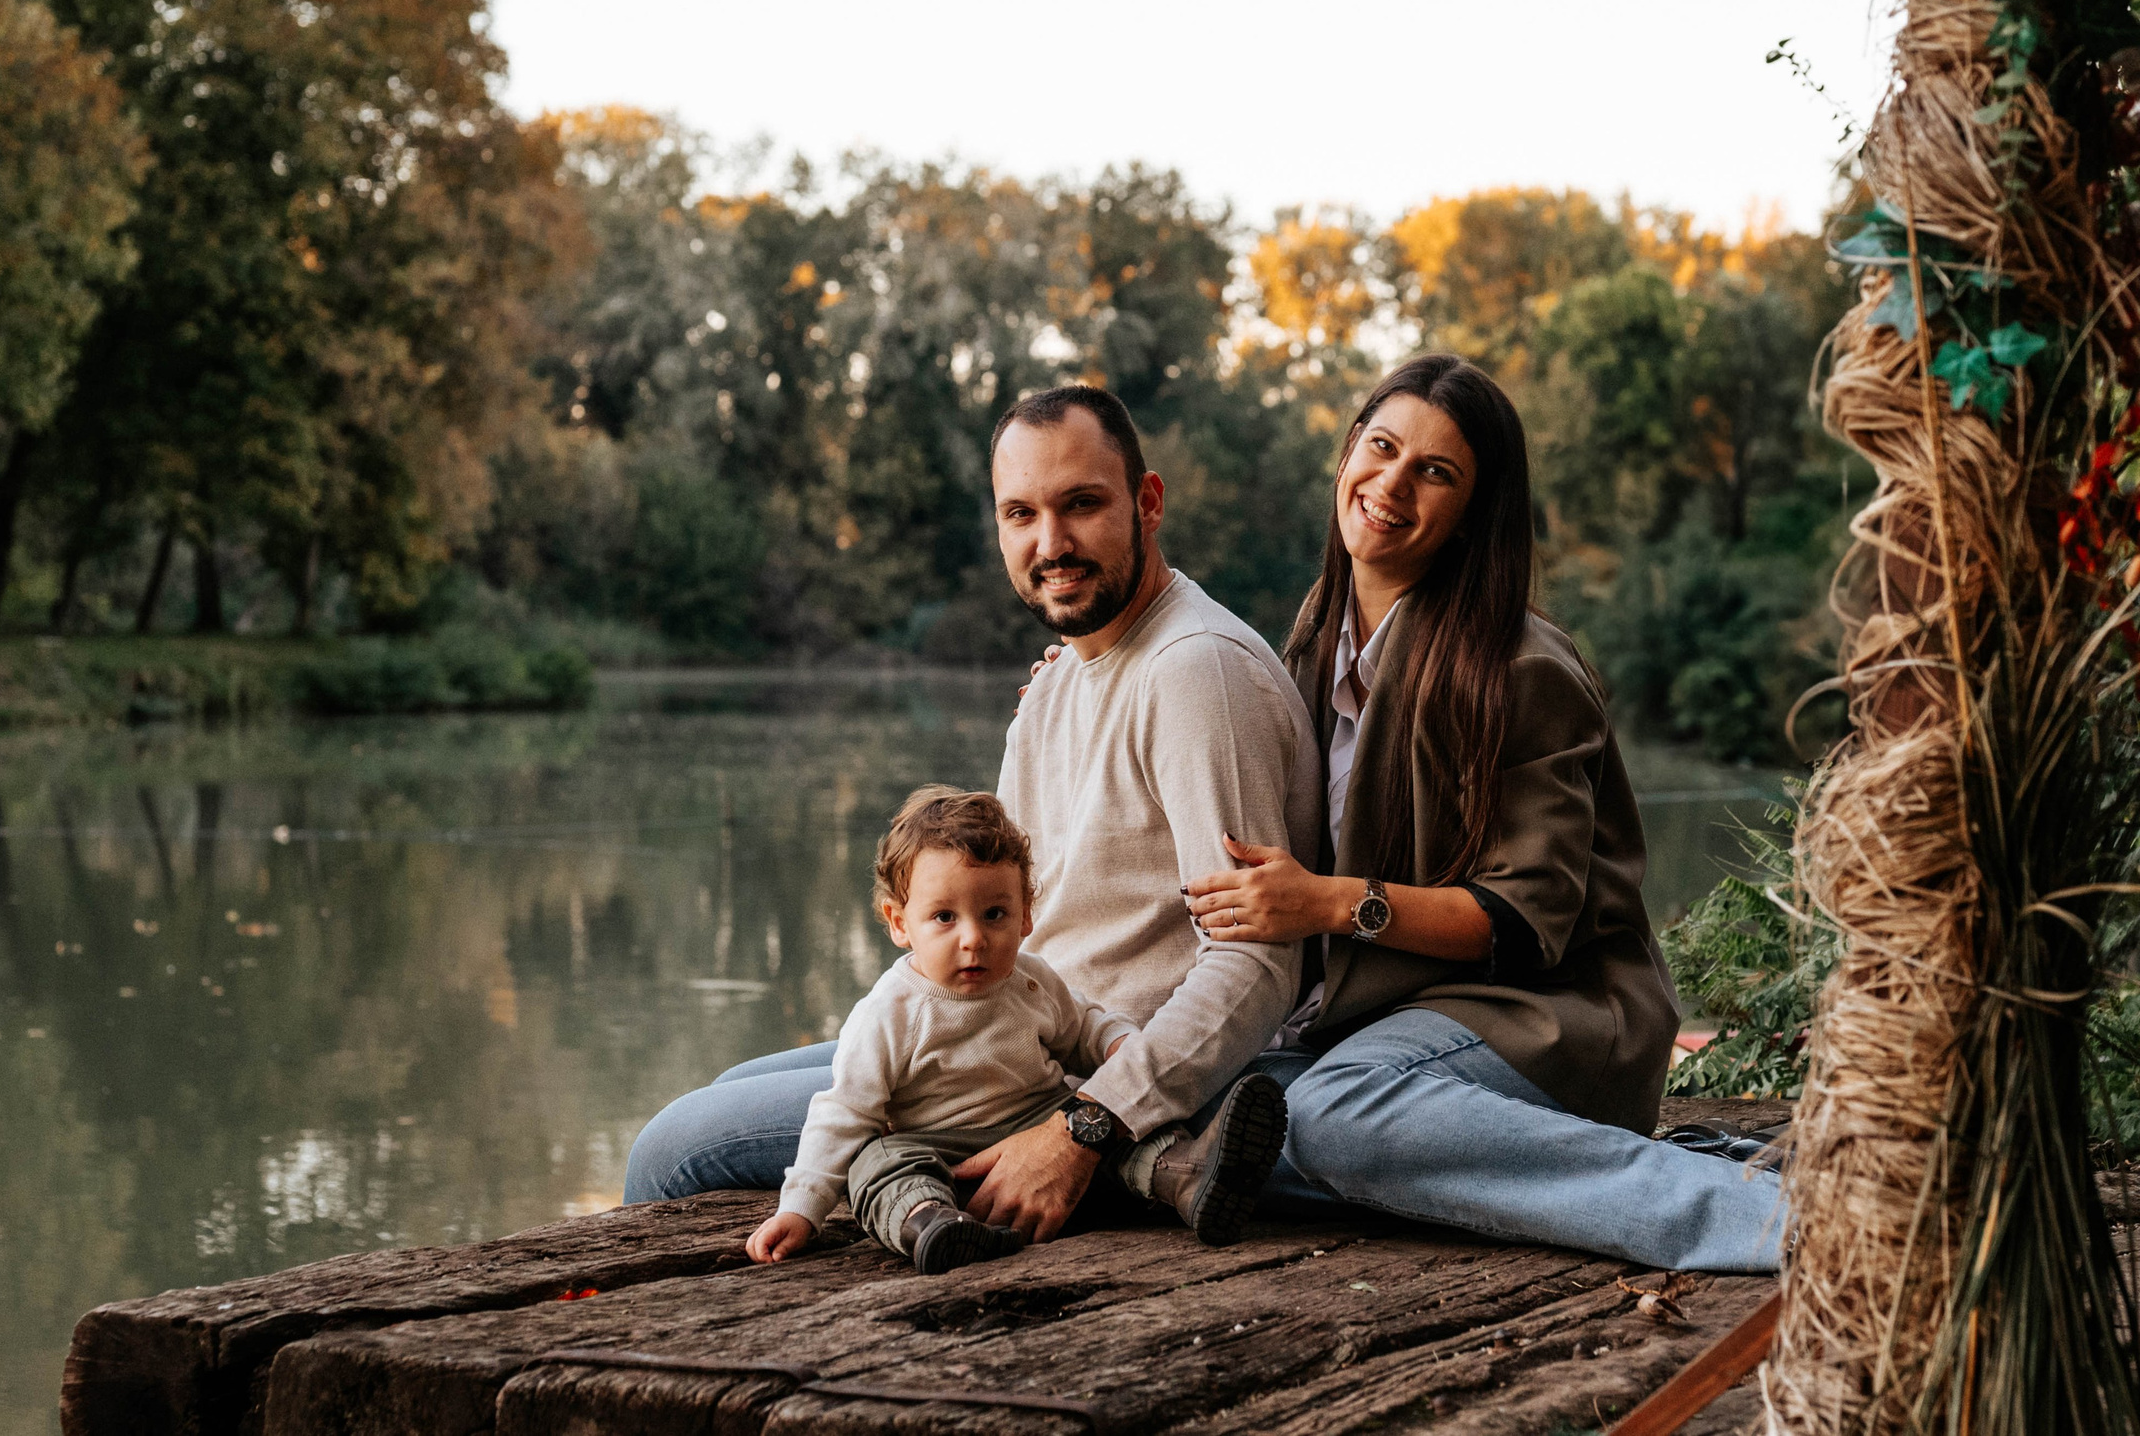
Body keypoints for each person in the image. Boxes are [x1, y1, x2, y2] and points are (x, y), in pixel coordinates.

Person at [628, 385, 1323, 1245]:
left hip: (1093, 1072)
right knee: (730, 1086)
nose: (1050, 542)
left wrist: (1083, 1128)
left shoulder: (1194, 674)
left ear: (1147, 504)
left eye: (1082, 505)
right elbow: (1007, 897)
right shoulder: (1063, 678)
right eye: (1020, 513)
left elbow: (1255, 964)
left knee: (676, 1150)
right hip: (1001, 1021)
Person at [1174, 353, 1786, 1272]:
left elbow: (1523, 920)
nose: (1392, 484)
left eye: (1436, 472)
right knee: (1203, 1112)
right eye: (1381, 448)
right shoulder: (1311, 639)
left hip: (1549, 1011)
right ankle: (1658, 1167)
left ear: (1471, 514)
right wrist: (1079, 682)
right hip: (1394, 1024)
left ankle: (1773, 1223)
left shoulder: (1519, 667)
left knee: (1327, 1116)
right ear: (1344, 456)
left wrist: (1330, 903)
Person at [751, 786, 1197, 1275]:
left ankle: (1188, 1178)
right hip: (940, 1153)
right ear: (900, 923)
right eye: (944, 917)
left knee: (1120, 1122)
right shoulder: (889, 1012)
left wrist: (1118, 1044)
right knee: (874, 1162)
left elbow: (1082, 1027)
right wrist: (800, 1207)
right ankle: (930, 1224)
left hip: (1042, 1132)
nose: (974, 939)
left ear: (1026, 914)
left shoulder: (1031, 980)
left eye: (994, 914)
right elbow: (843, 1112)